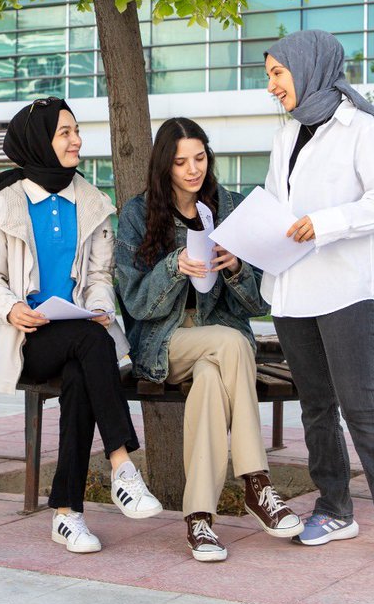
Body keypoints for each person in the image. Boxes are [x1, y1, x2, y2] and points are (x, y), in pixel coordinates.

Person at [262, 29, 374, 565]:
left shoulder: (364, 129)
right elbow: (273, 203)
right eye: (269, 76)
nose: (271, 86)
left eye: (277, 74)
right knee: (315, 407)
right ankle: (334, 509)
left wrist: (325, 223)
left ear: (307, 69)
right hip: (292, 291)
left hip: (345, 290)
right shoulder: (288, 135)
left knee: (360, 406)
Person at [0, 96, 161, 555]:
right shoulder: (4, 205)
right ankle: (121, 465)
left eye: (76, 130)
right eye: (65, 133)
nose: (76, 140)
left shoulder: (91, 203)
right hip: (31, 338)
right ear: (40, 141)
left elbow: (99, 277)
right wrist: (12, 307)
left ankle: (66, 515)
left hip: (81, 336)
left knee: (84, 365)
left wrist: (98, 305)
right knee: (90, 343)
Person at [115, 117, 304, 562]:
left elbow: (258, 302)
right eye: (181, 162)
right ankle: (257, 483)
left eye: (199, 158)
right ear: (165, 166)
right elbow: (135, 303)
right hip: (165, 342)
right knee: (231, 345)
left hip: (219, 345)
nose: (192, 169)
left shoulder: (233, 208)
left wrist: (236, 267)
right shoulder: (137, 215)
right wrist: (173, 267)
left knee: (210, 381)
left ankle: (199, 521)